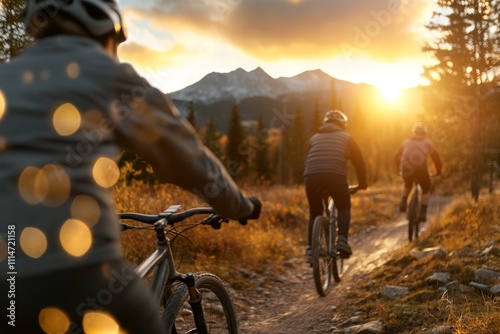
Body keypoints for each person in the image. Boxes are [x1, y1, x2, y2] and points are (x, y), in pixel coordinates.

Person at [0, 1, 261, 333]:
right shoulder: (109, 75)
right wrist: (240, 206)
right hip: (76, 273)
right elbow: (187, 159)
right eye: (115, 45)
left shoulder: (6, 78)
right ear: (103, 26)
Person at [303, 110, 367, 260]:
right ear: (343, 125)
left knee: (315, 212)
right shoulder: (346, 137)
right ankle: (342, 241)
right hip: (335, 176)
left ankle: (311, 249)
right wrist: (362, 183)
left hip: (311, 176)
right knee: (344, 207)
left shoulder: (314, 138)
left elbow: (309, 158)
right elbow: (359, 162)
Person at [394, 123, 442, 222]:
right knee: (426, 188)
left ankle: (403, 202)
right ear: (425, 133)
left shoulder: (406, 141)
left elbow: (396, 157)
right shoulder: (428, 143)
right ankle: (423, 212)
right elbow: (436, 159)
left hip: (406, 168)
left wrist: (399, 168)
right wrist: (438, 171)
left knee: (407, 184)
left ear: (414, 132)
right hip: (421, 169)